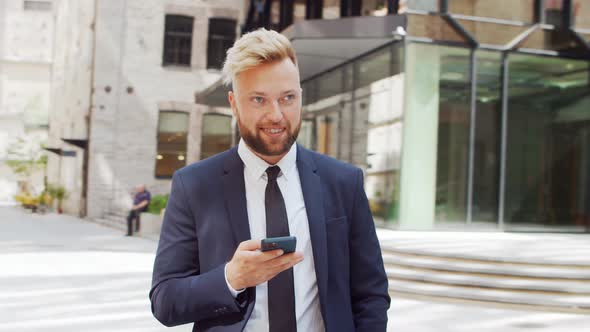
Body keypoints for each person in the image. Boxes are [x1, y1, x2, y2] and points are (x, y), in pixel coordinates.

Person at [150, 28, 390, 331]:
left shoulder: (344, 183)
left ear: (300, 97)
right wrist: (232, 277)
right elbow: (164, 301)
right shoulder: (194, 185)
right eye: (259, 100)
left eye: (287, 98)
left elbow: (371, 294)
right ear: (234, 104)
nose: (276, 115)